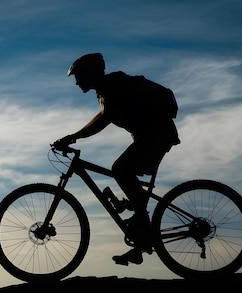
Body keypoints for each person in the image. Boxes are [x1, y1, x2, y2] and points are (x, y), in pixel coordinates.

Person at [53, 52, 180, 266]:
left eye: (78, 76)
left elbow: (104, 119)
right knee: (125, 173)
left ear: (89, 74)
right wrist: (74, 136)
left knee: (121, 169)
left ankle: (142, 224)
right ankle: (141, 236)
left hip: (158, 135)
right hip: (152, 136)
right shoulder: (105, 91)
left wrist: (73, 137)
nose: (76, 82)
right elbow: (103, 115)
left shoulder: (114, 85)